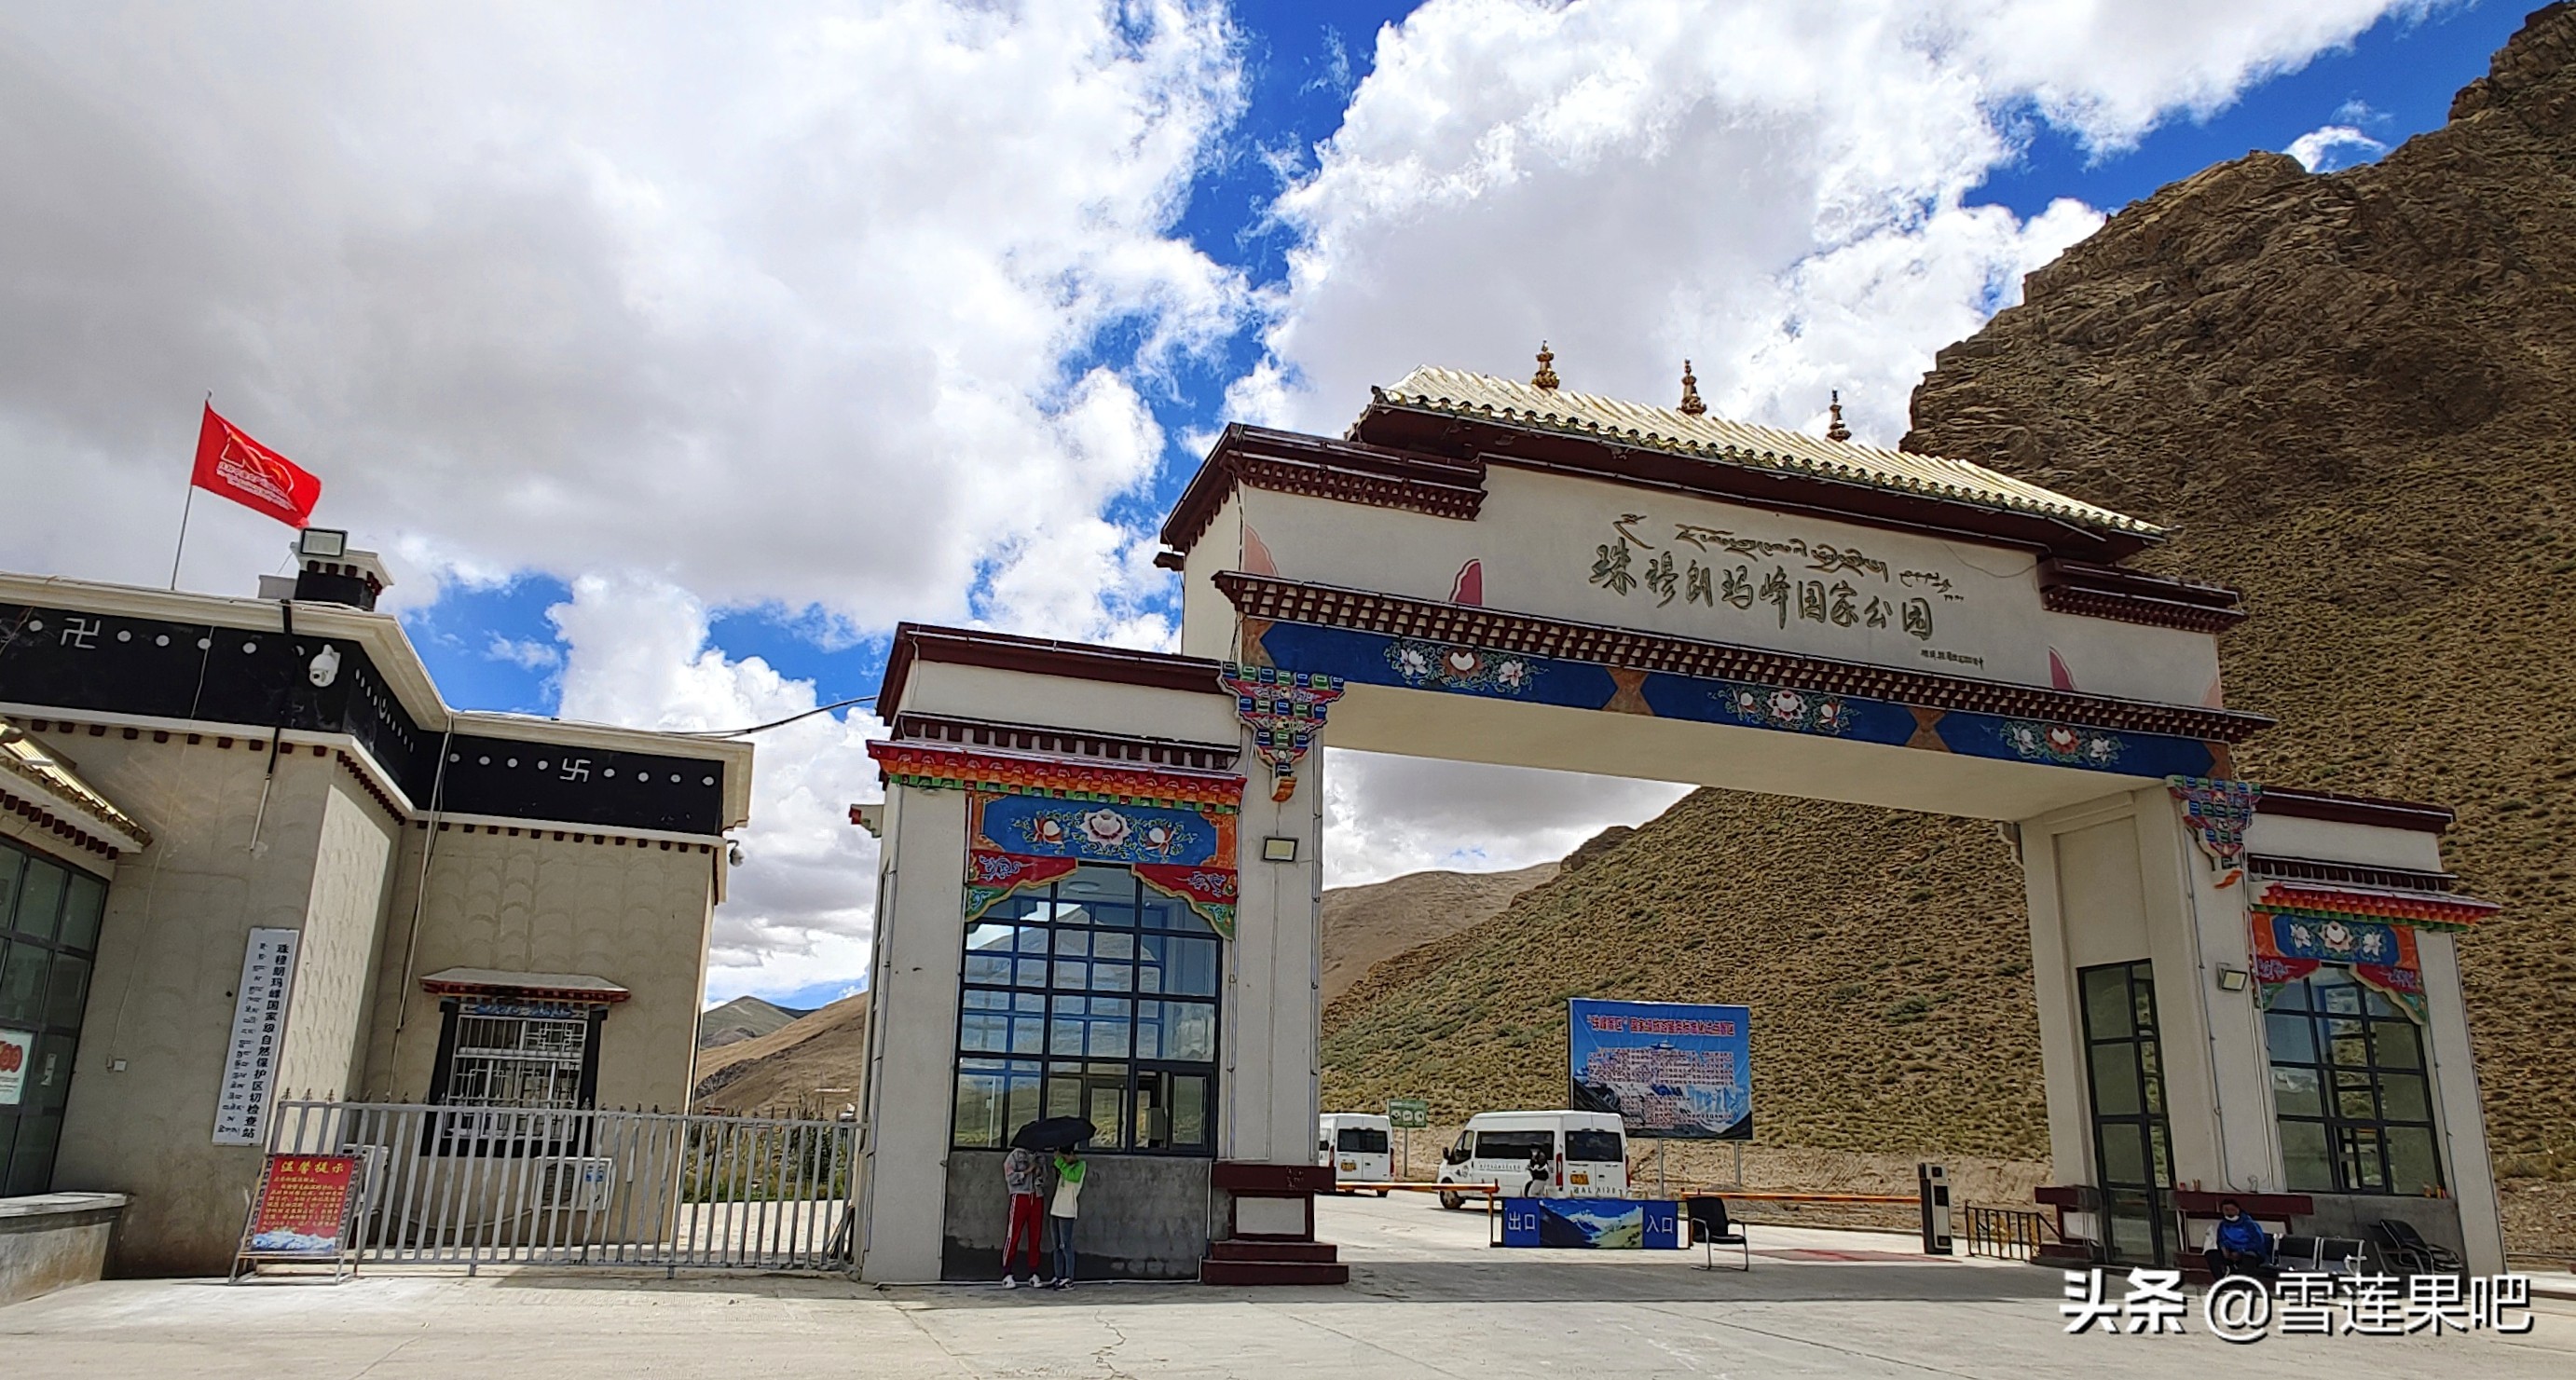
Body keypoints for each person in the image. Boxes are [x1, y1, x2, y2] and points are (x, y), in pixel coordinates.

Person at [1000, 1143, 1048, 1289]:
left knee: (1035, 1236)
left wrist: (1038, 1172)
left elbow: (1045, 1178)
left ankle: (1034, 1272)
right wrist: (1027, 1171)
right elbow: (1010, 1177)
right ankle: (1007, 1272)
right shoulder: (1015, 1155)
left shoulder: (1040, 1156)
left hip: (1036, 1196)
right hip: (1020, 1196)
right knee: (1013, 1234)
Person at [1048, 1144, 1088, 1289]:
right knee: (1056, 1245)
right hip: (1056, 1208)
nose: (1064, 1160)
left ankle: (1068, 1277)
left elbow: (1073, 1177)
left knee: (1066, 1245)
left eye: (1066, 1157)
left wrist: (1059, 1162)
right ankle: (1058, 1275)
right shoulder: (1064, 1167)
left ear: (1072, 1154)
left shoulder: (1080, 1166)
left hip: (1067, 1210)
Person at [2202, 1199, 2271, 1279]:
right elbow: (2221, 1240)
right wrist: (2224, 1249)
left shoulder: (2250, 1224)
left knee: (2248, 1258)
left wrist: (2240, 1251)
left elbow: (2257, 1242)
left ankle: (2244, 1286)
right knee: (2211, 1254)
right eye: (2226, 1210)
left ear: (2238, 1210)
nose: (2229, 1212)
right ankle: (2221, 1282)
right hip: (2230, 1252)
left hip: (2250, 1252)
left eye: (2232, 1209)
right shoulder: (2223, 1225)